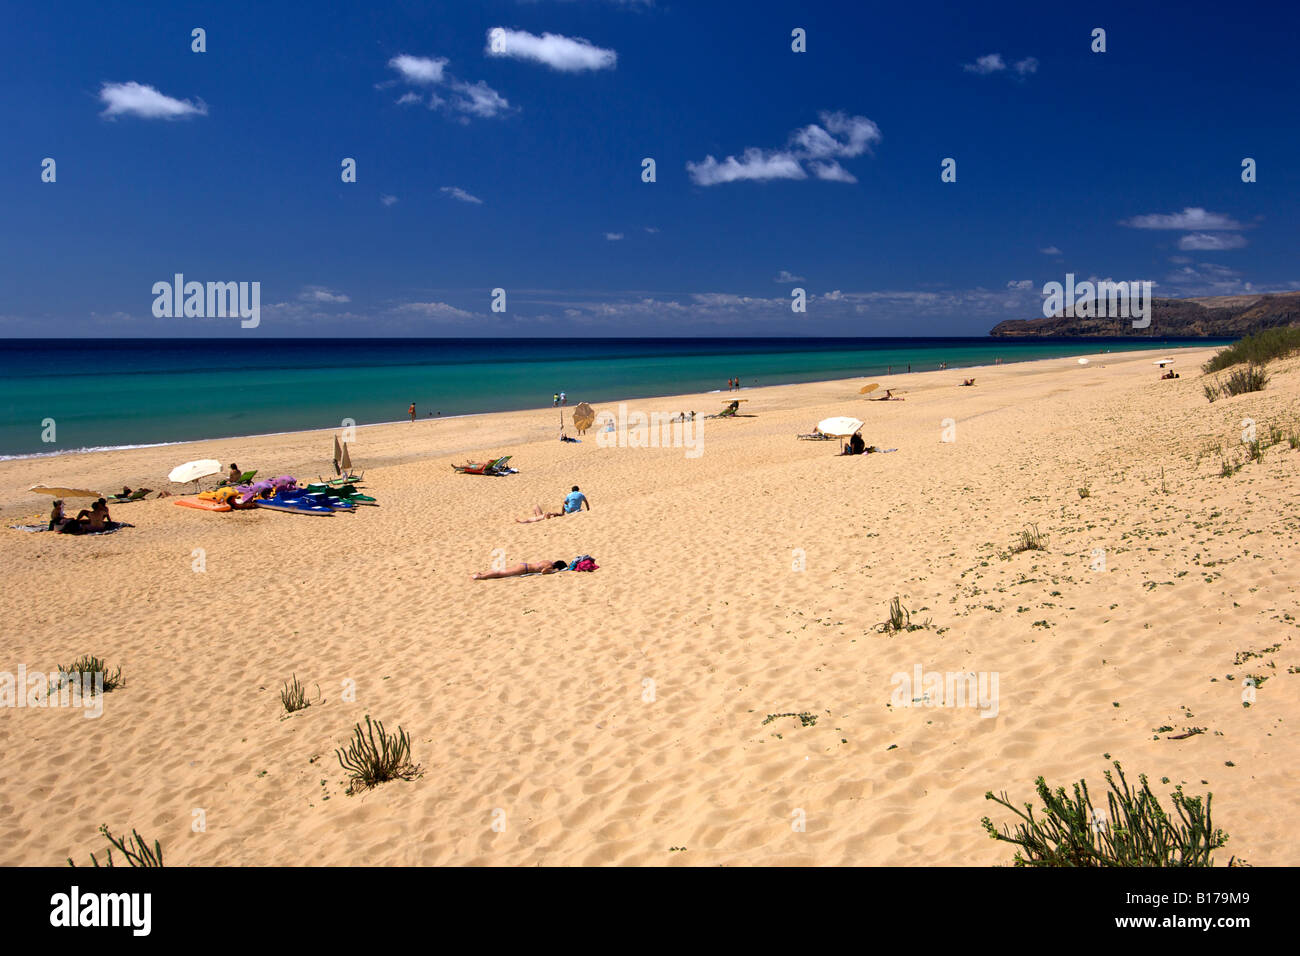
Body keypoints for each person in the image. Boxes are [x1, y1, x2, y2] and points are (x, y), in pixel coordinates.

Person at [472, 559, 569, 580]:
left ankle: (482, 573)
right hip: (524, 569)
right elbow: (543, 572)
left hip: (524, 565)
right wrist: (553, 571)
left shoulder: (548, 562)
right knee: (501, 574)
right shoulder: (550, 567)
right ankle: (480, 576)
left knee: (503, 571)